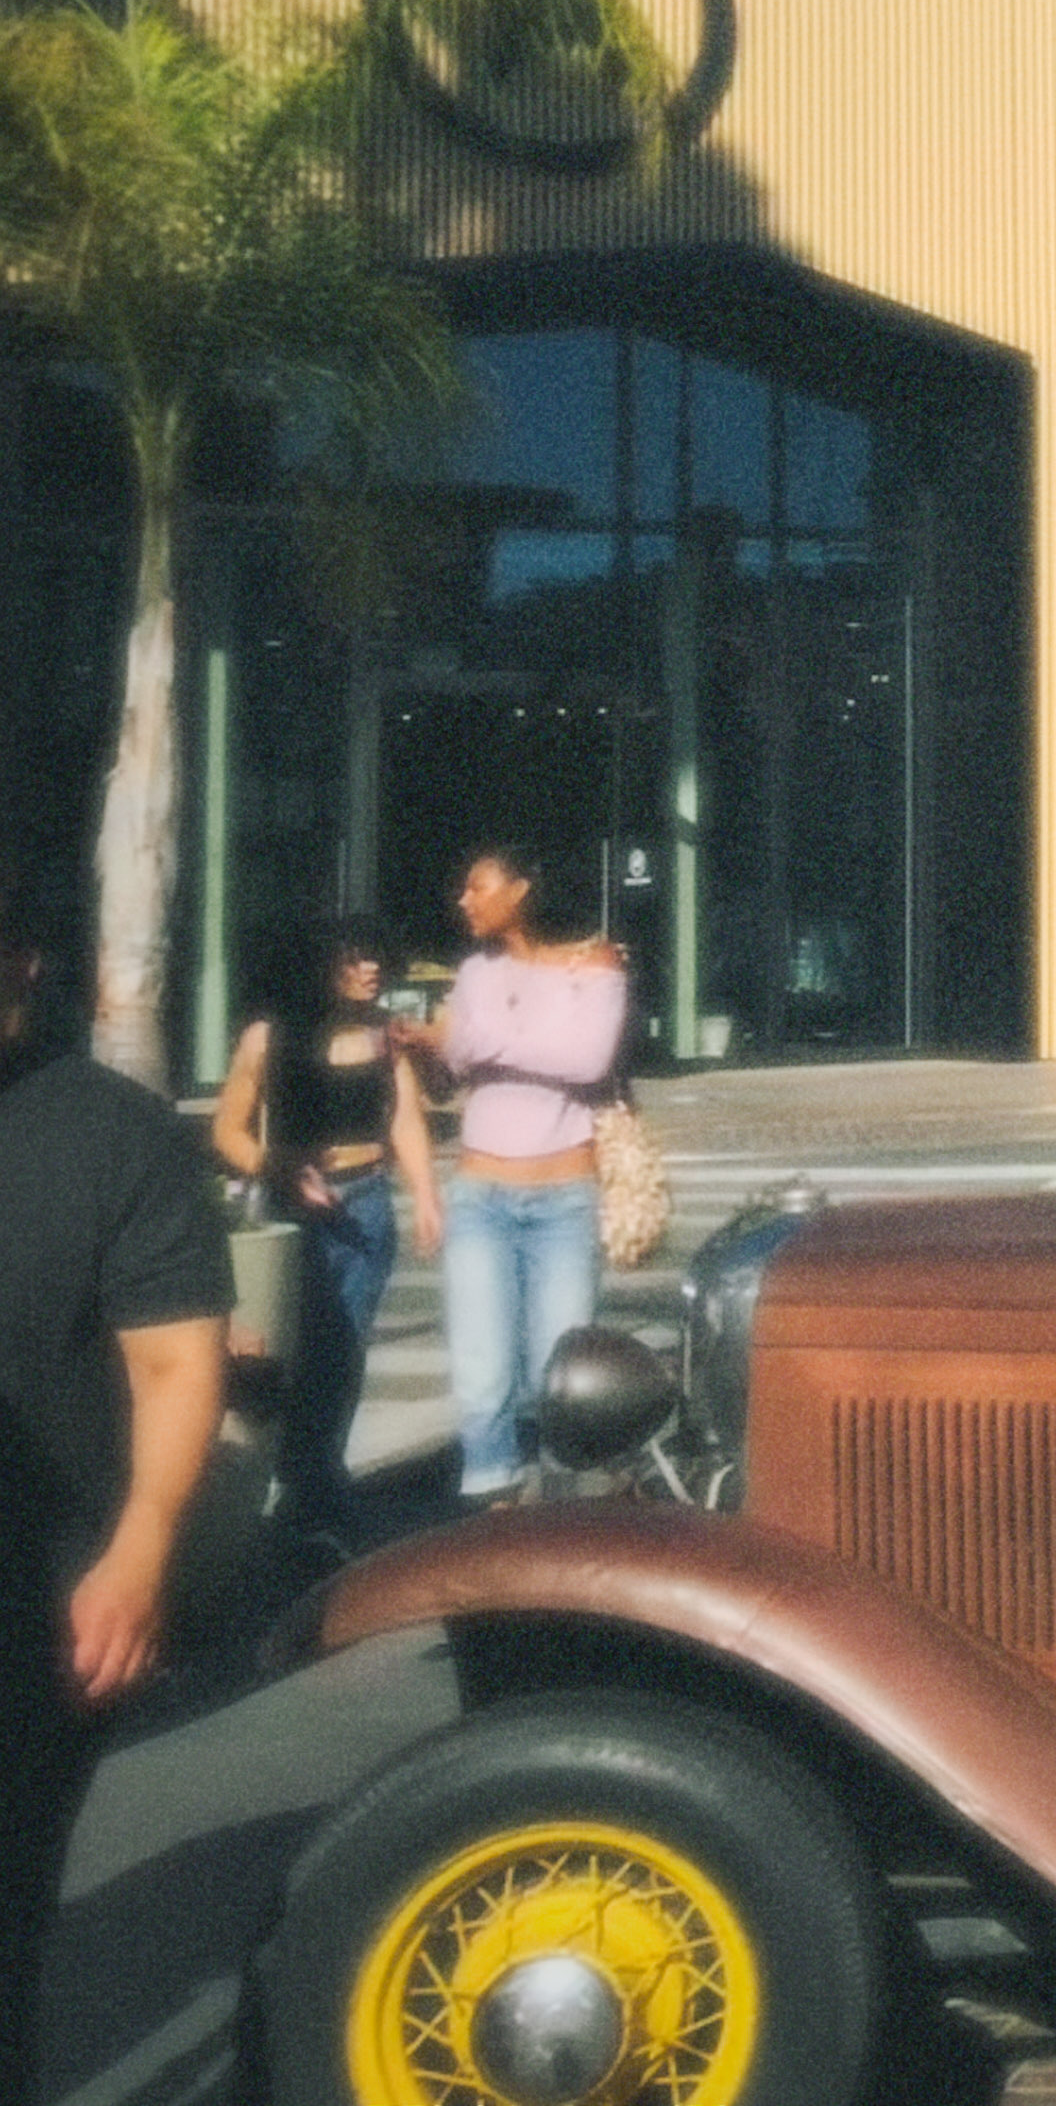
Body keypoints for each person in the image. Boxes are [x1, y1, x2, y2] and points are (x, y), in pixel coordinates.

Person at [2, 885, 230, 2103]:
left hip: (36, 1603)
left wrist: (140, 1549)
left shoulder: (112, 1132)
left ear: (23, 962)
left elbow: (175, 1359)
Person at [207, 917, 441, 1551]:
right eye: (354, 959)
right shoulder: (269, 1038)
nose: (371, 970)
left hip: (364, 1206)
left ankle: (314, 1489)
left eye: (376, 959)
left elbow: (406, 1119)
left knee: (341, 1354)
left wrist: (425, 1197)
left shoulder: (383, 1037)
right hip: (292, 1212)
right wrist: (278, 1165)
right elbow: (228, 1130)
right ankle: (293, 1487)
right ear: (322, 966)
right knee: (290, 1352)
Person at [420, 847, 630, 1503]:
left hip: (564, 1198)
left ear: (520, 890)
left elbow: (588, 1058)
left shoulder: (595, 965)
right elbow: (453, 1061)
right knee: (482, 1374)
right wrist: (446, 1045)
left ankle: (563, 1518)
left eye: (477, 886)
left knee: (558, 1370)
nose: (464, 900)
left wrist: (482, 1042)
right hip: (481, 1196)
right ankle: (495, 1512)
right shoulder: (475, 971)